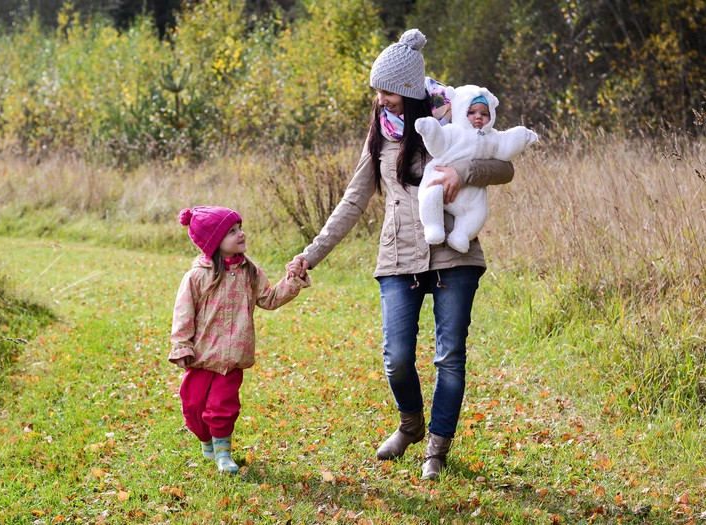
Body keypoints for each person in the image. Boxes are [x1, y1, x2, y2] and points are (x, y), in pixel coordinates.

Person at [287, 29, 514, 480]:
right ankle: (410, 423)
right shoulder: (380, 136)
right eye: (377, 91)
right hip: (398, 256)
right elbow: (352, 201)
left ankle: (437, 446)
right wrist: (310, 256)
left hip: (454, 252)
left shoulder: (454, 123)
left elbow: (503, 164)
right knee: (397, 356)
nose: (380, 99)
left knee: (450, 356)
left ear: (410, 91)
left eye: (387, 91)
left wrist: (463, 170)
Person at [170, 206, 310, 474]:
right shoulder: (198, 277)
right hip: (201, 357)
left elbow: (269, 298)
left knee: (223, 407)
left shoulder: (250, 272)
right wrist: (181, 345)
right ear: (214, 241)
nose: (241, 234)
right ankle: (206, 441)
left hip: (233, 358)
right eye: (232, 231)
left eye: (239, 228)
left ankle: (223, 451)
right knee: (192, 407)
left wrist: (293, 280)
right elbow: (183, 314)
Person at [416, 84, 538, 252]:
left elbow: (505, 147)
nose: (478, 117)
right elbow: (438, 143)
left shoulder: (492, 137)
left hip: (472, 194)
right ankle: (433, 226)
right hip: (439, 181)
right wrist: (430, 130)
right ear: (461, 111)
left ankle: (462, 234)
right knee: (431, 194)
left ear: (492, 115)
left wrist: (521, 137)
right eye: (471, 112)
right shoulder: (453, 131)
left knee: (479, 212)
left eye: (484, 113)